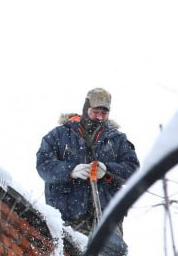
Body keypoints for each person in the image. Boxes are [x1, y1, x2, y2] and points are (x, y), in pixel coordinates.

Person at [36, 87, 140, 238]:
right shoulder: (59, 134)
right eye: (95, 112)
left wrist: (108, 171)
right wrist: (70, 171)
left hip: (107, 220)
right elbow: (43, 165)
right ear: (86, 109)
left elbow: (133, 171)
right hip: (67, 218)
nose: (99, 117)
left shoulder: (118, 140)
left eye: (104, 113)